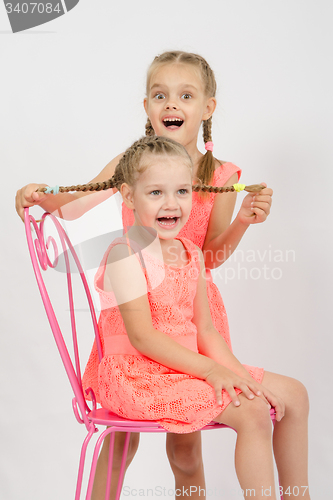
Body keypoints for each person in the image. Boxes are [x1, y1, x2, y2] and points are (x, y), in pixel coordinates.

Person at [14, 51, 296, 499]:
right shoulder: (131, 166)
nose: (171, 104)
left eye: (186, 95)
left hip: (188, 313)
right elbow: (75, 202)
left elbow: (209, 257)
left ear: (207, 108)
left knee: (187, 454)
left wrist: (242, 221)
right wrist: (39, 193)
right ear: (146, 106)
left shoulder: (220, 175)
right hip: (136, 317)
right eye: (160, 95)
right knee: (126, 444)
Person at [82, 135, 309, 500]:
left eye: (182, 192)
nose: (171, 204)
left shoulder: (191, 254)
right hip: (137, 374)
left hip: (183, 369)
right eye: (155, 193)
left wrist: (236, 374)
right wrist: (211, 371)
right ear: (128, 197)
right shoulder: (125, 254)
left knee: (294, 393)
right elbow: (144, 338)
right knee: (251, 412)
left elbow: (205, 330)